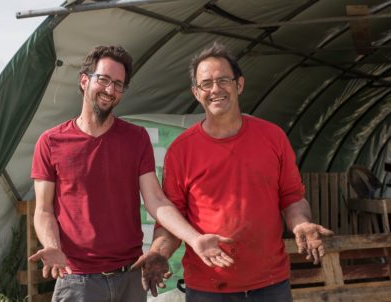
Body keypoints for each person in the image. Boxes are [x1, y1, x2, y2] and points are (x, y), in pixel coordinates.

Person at [28, 45, 235, 302]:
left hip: (130, 278)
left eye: (118, 84)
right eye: (103, 79)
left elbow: (156, 201)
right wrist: (52, 246)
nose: (110, 90)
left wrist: (195, 239)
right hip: (77, 280)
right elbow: (44, 209)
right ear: (84, 80)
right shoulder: (51, 142)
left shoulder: (136, 138)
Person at [136, 42, 334, 301]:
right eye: (206, 83)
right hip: (208, 287)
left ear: (239, 84)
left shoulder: (272, 137)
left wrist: (302, 223)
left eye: (223, 80)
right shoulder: (181, 150)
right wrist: (159, 252)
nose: (215, 89)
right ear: (196, 92)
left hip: (270, 284)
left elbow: (292, 198)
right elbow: (172, 219)